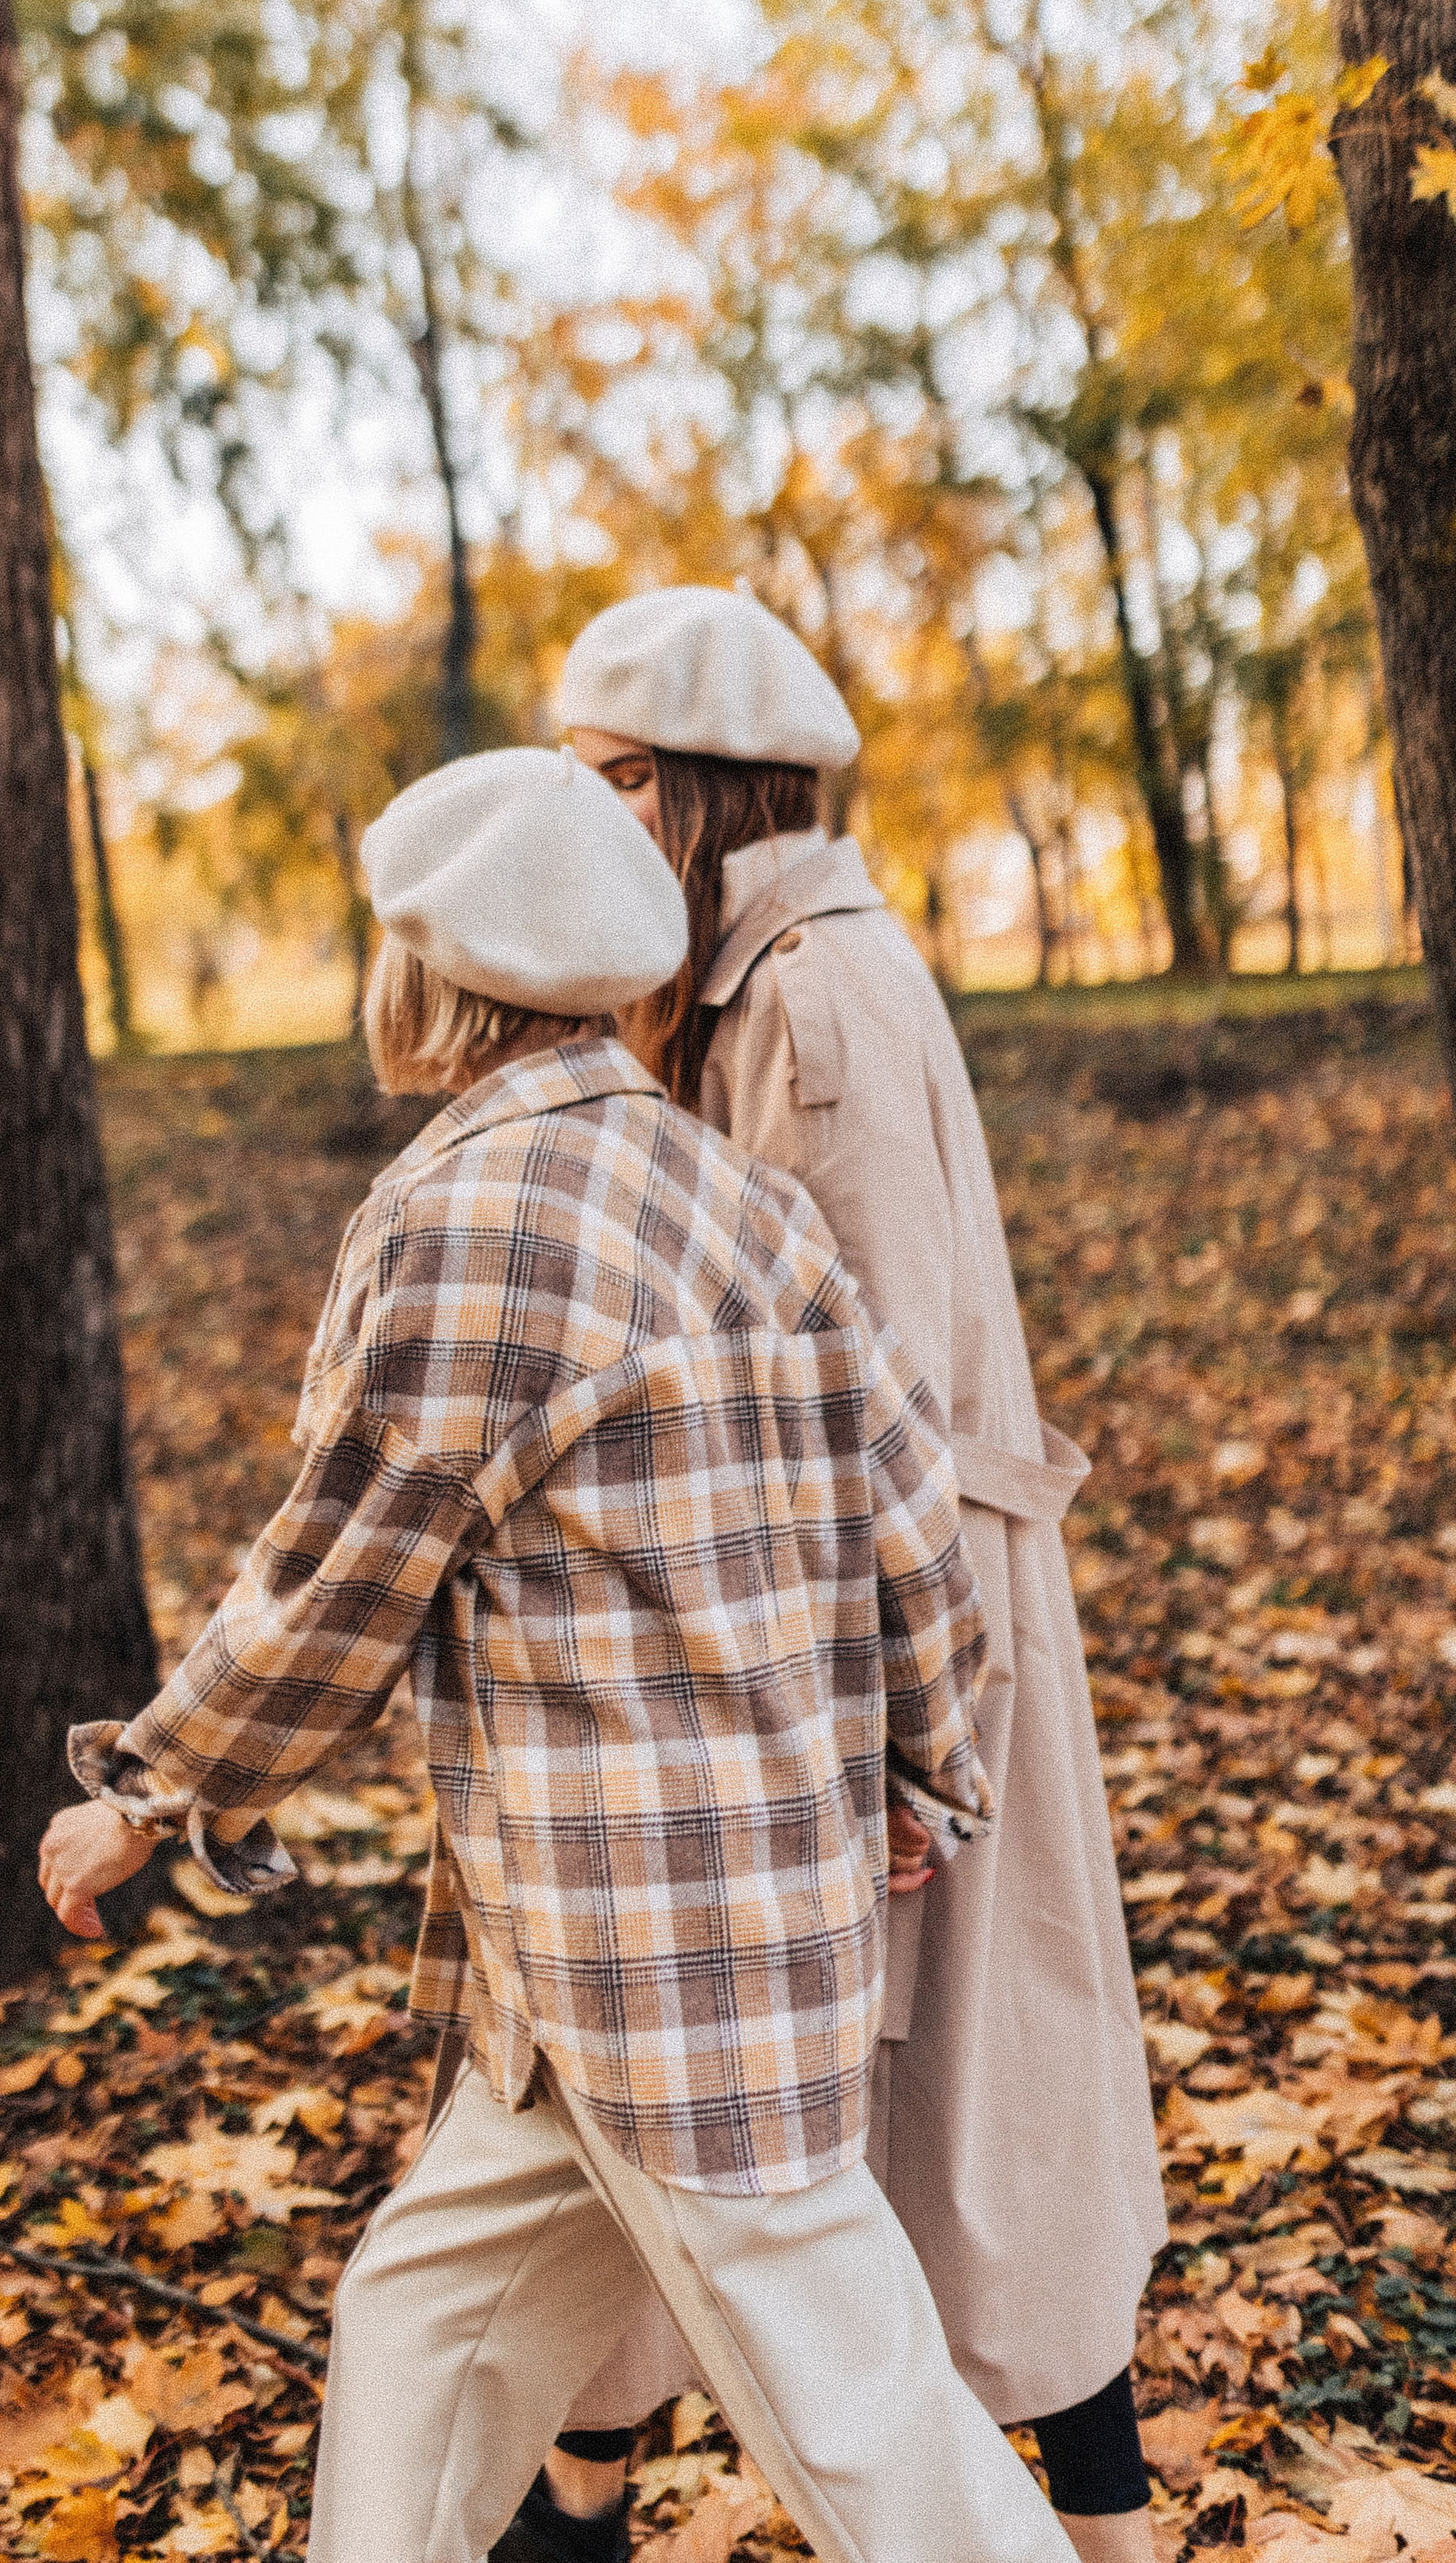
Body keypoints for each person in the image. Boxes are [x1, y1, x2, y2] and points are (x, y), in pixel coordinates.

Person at [38, 745, 1078, 2563]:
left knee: (861, 2432)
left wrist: (149, 1792)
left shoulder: (460, 1225)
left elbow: (339, 1573)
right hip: (665, 1942)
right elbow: (905, 1522)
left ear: (427, 975)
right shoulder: (740, 1202)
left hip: (646, 1952)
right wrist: (924, 1762)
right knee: (424, 2323)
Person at [519, 583, 1163, 2563]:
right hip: (817, 1620)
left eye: (621, 780)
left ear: (710, 787)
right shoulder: (750, 976)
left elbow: (871, 1386)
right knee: (746, 2074)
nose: (594, 819)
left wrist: (892, 1723)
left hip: (897, 1623)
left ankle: (1110, 2532)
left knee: (979, 2091)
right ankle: (573, 2497)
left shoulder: (808, 988)